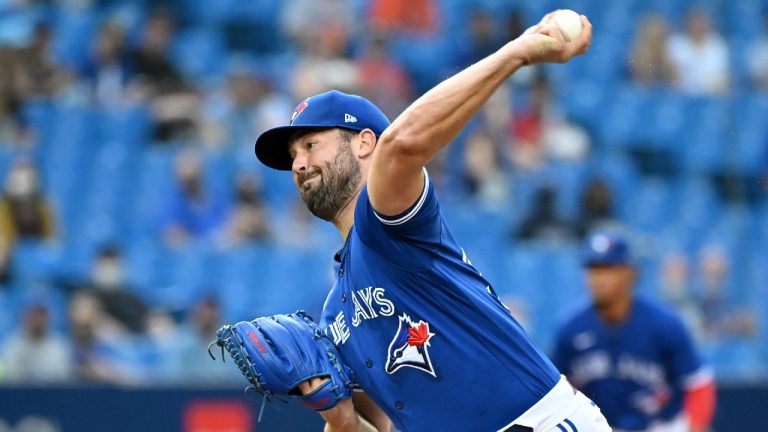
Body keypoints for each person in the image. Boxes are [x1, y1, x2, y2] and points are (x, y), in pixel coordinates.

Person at [252, 12, 606, 432]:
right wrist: (341, 418)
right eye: (292, 157)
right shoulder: (335, 313)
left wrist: (518, 52)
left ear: (365, 143)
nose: (299, 164)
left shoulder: (385, 220)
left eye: (311, 144)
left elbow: (401, 144)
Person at [553, 233, 717, 432]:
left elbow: (698, 385)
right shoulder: (571, 327)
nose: (597, 279)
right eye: (593, 270)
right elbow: (558, 393)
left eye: (608, 269)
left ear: (630, 273)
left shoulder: (664, 323)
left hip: (660, 426)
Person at [1, 302, 72, 383]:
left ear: (48, 319)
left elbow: (64, 377)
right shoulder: (13, 345)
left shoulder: (60, 345)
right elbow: (10, 377)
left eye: (41, 316)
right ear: (26, 318)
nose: (37, 320)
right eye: (33, 316)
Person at [666, 9, 729, 95]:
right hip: (680, 94)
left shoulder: (717, 44)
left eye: (700, 23)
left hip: (709, 94)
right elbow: (671, 74)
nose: (697, 26)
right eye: (694, 23)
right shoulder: (676, 43)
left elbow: (720, 76)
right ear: (687, 24)